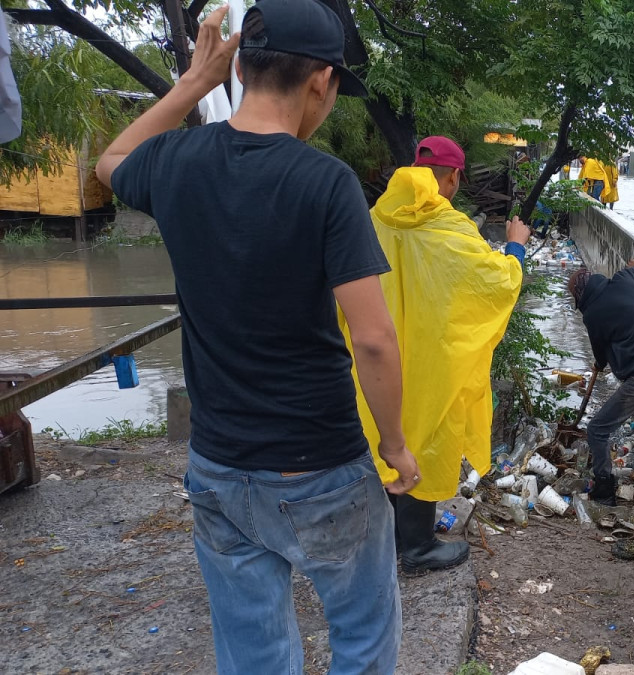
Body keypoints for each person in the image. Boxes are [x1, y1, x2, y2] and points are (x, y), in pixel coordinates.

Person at [94, 2, 416, 672]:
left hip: (218, 465)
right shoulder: (325, 182)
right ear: (322, 81)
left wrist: (193, 84)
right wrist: (394, 445)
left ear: (238, 69)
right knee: (362, 633)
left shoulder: (176, 160)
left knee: (253, 650)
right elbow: (374, 339)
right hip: (319, 464)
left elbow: (112, 161)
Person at [344, 136, 530, 575]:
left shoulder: (373, 219)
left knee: (385, 435)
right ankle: (418, 546)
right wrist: (516, 246)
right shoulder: (449, 228)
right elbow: (496, 283)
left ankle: (390, 540)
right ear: (454, 177)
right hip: (432, 361)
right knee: (426, 441)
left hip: (377, 355)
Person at [568, 260, 634, 506]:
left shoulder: (593, 314)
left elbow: (601, 355)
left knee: (597, 429)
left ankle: (604, 490)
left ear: (581, 295)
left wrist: (598, 365)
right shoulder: (627, 278)